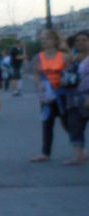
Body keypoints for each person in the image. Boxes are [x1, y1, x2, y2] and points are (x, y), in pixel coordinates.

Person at [30, 29, 68, 162]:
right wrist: (39, 83)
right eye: (42, 39)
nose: (44, 41)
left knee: (67, 123)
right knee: (47, 123)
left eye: (47, 38)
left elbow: (70, 73)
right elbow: (36, 73)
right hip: (47, 96)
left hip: (62, 95)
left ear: (55, 40)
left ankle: (79, 149)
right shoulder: (38, 57)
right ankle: (45, 153)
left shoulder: (63, 56)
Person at [63, 31, 89, 165]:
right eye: (78, 40)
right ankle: (79, 156)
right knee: (75, 127)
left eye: (84, 40)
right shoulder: (73, 58)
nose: (80, 43)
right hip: (73, 98)